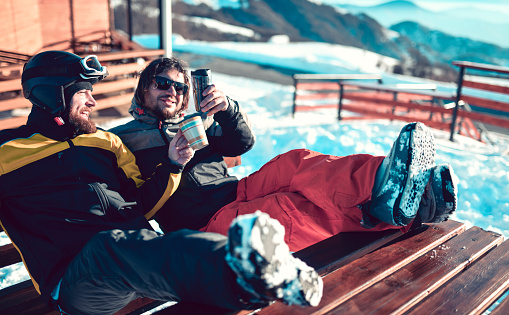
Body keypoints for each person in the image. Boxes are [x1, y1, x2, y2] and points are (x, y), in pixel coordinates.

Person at [0, 51, 324, 315]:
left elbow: (143, 202)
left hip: (141, 254)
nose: (92, 102)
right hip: (76, 279)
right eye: (82, 91)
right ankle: (250, 272)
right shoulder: (6, 152)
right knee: (110, 247)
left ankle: (271, 272)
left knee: (143, 244)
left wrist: (172, 164)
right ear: (51, 93)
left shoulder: (104, 142)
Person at [110, 56, 458, 253]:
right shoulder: (122, 141)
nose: (172, 90)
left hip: (237, 190)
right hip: (202, 225)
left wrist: (228, 110)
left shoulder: (190, 125)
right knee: (287, 206)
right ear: (144, 88)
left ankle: (388, 181)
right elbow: (136, 206)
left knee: (296, 161)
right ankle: (399, 207)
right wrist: (172, 164)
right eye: (162, 82)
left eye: (179, 86)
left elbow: (240, 145)